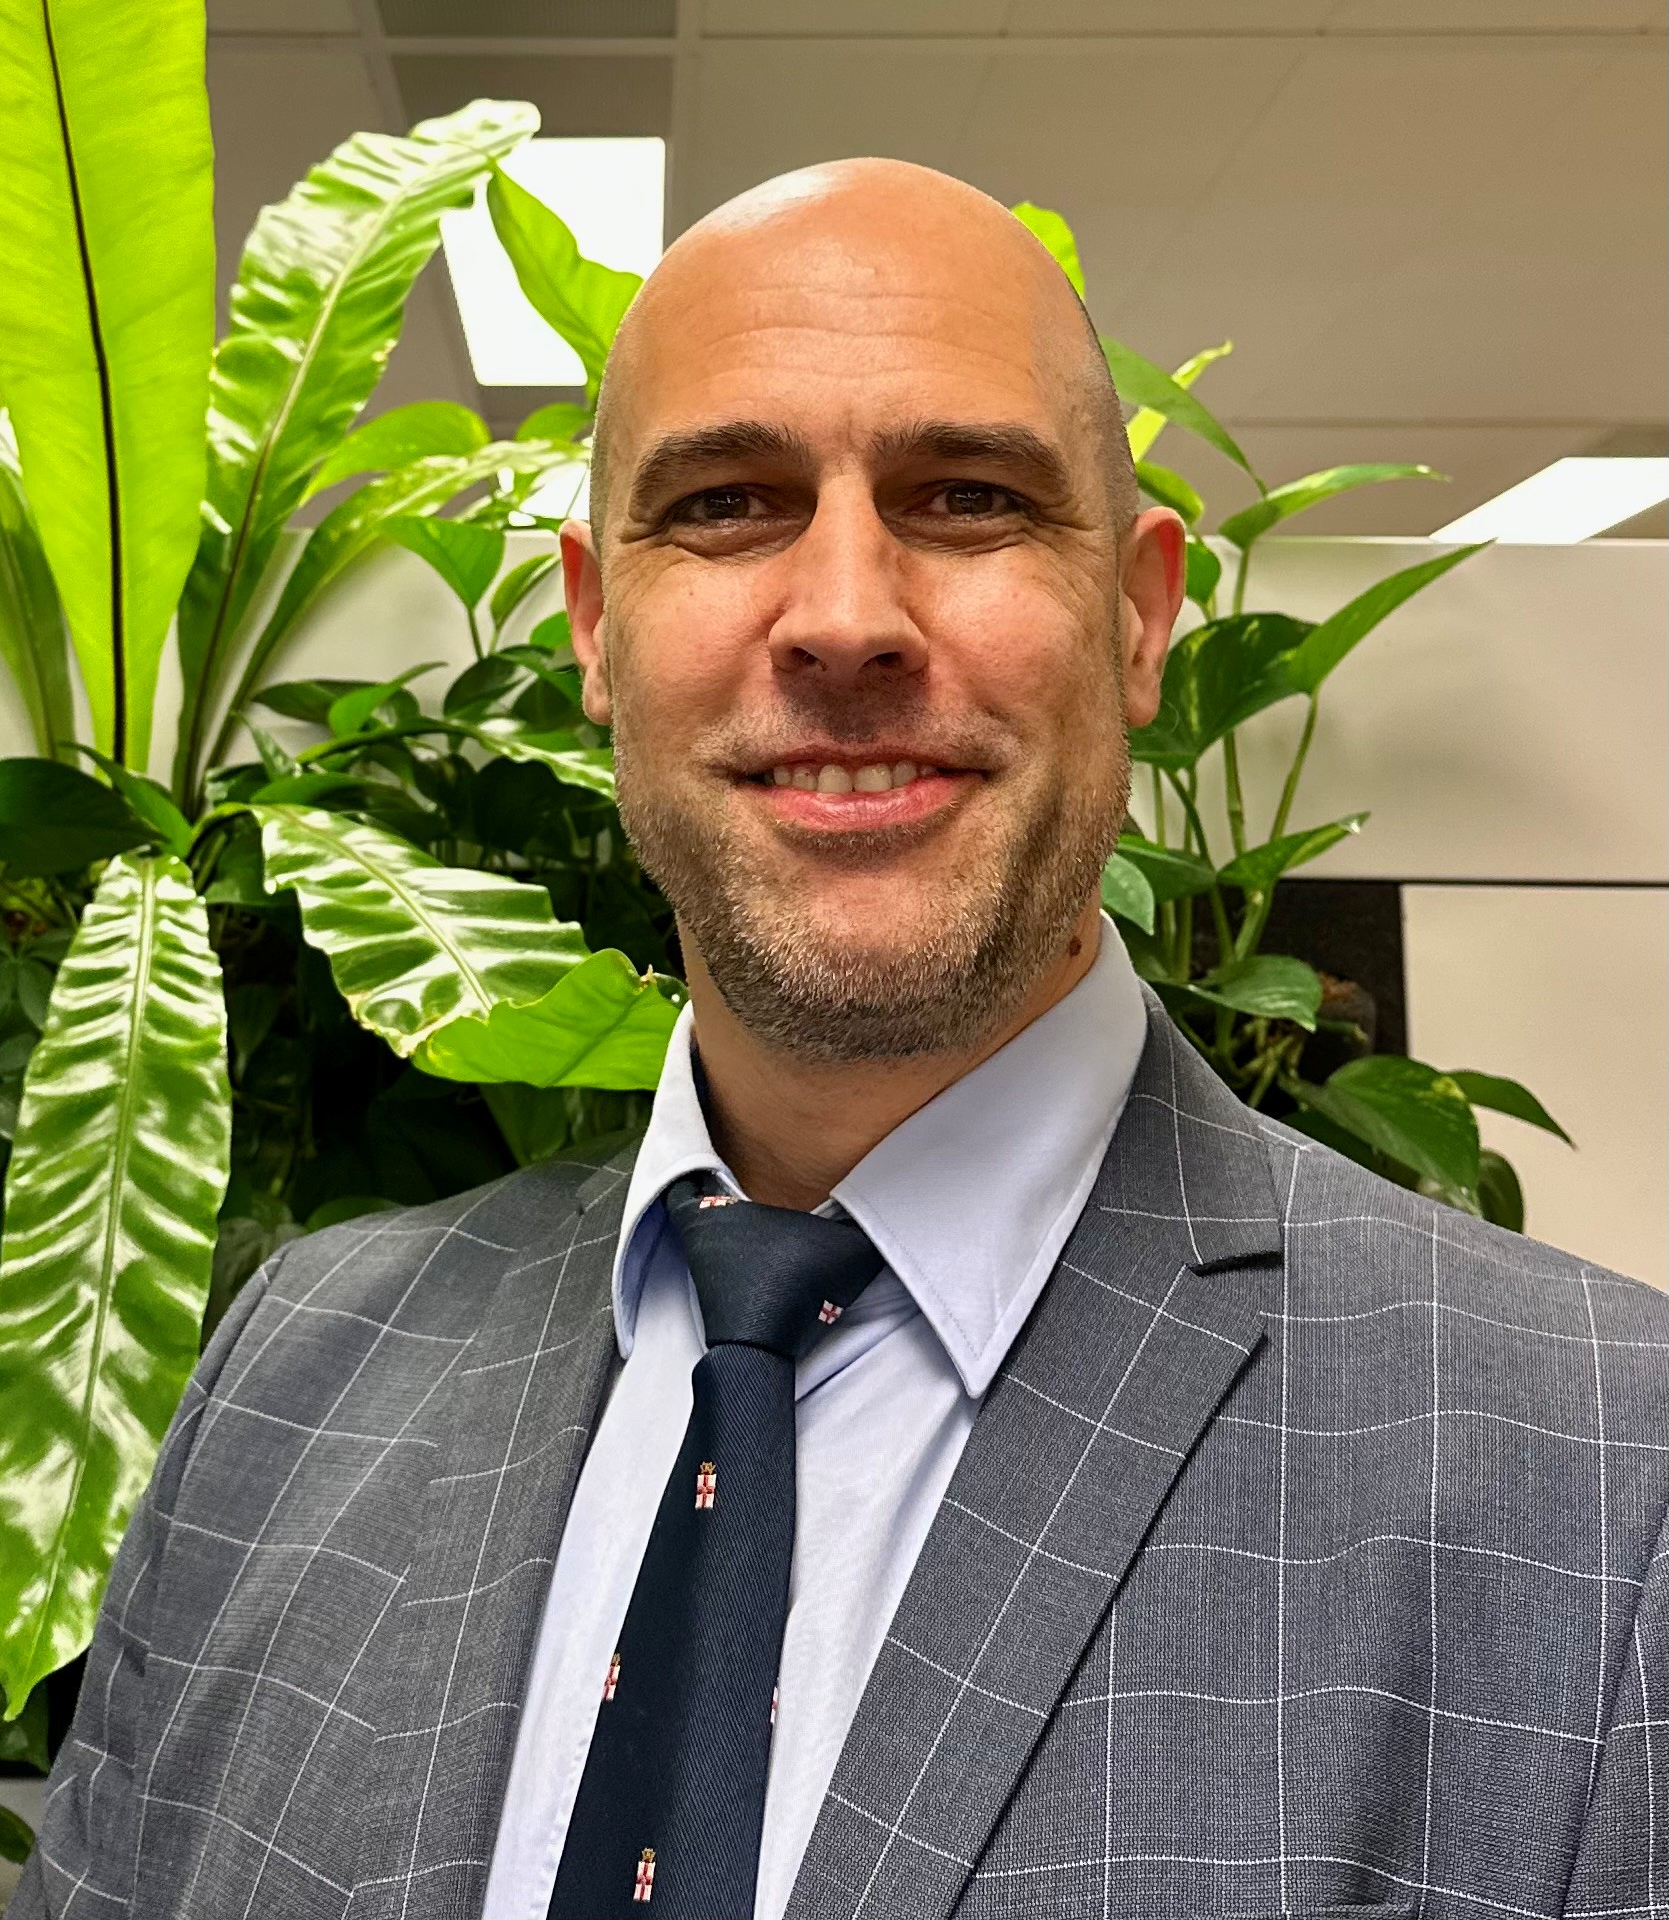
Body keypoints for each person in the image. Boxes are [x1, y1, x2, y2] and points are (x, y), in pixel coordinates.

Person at [14, 160, 1665, 1920]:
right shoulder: (289, 1375)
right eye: (726, 504)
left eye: (967, 497)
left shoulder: (1601, 1484)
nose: (846, 618)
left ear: (1136, 619)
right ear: (594, 627)